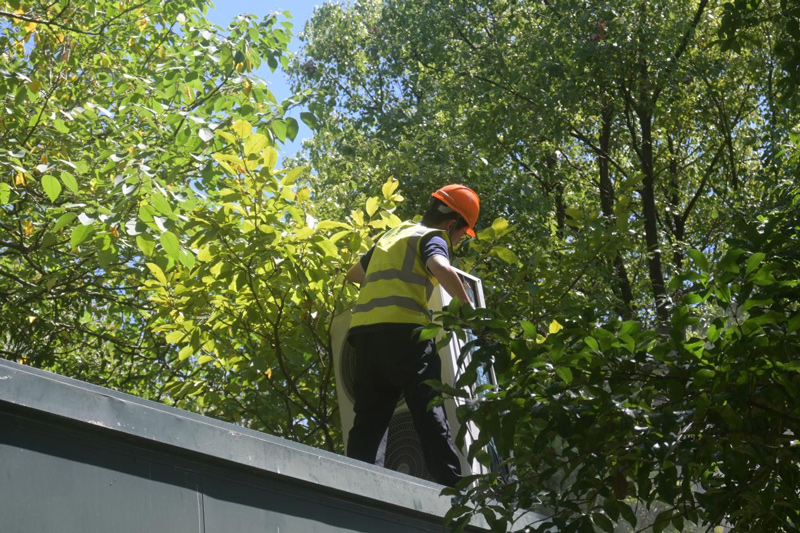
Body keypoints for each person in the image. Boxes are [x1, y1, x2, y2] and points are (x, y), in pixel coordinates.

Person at [344, 184, 480, 487]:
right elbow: (440, 266)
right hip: (406, 335)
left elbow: (354, 274)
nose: (457, 240)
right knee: (429, 412)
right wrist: (469, 312)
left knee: (369, 420)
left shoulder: (393, 235)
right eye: (461, 234)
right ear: (451, 223)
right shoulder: (434, 237)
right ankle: (453, 490)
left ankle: (359, 486)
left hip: (365, 336)